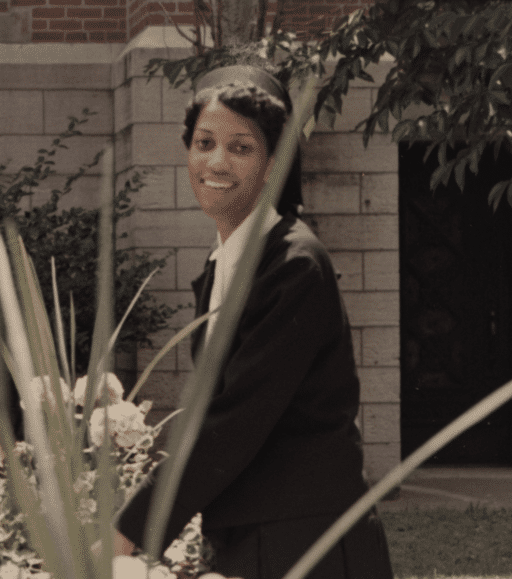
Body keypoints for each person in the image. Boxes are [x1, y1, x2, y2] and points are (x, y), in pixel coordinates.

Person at [113, 65, 394, 579]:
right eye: (204, 142)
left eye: (241, 148)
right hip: (256, 535)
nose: (216, 161)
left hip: (307, 543)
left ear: (272, 165)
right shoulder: (224, 264)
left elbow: (237, 422)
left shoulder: (293, 266)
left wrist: (133, 526)